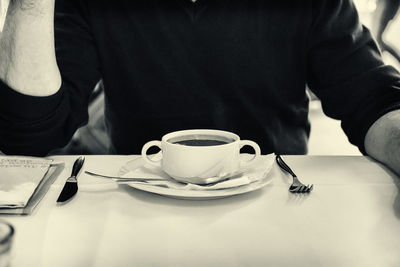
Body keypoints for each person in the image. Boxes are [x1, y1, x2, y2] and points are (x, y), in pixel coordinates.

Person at [0, 0, 400, 175]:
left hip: (276, 203)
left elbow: (374, 98)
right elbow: (29, 137)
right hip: (138, 203)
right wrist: (31, 3)